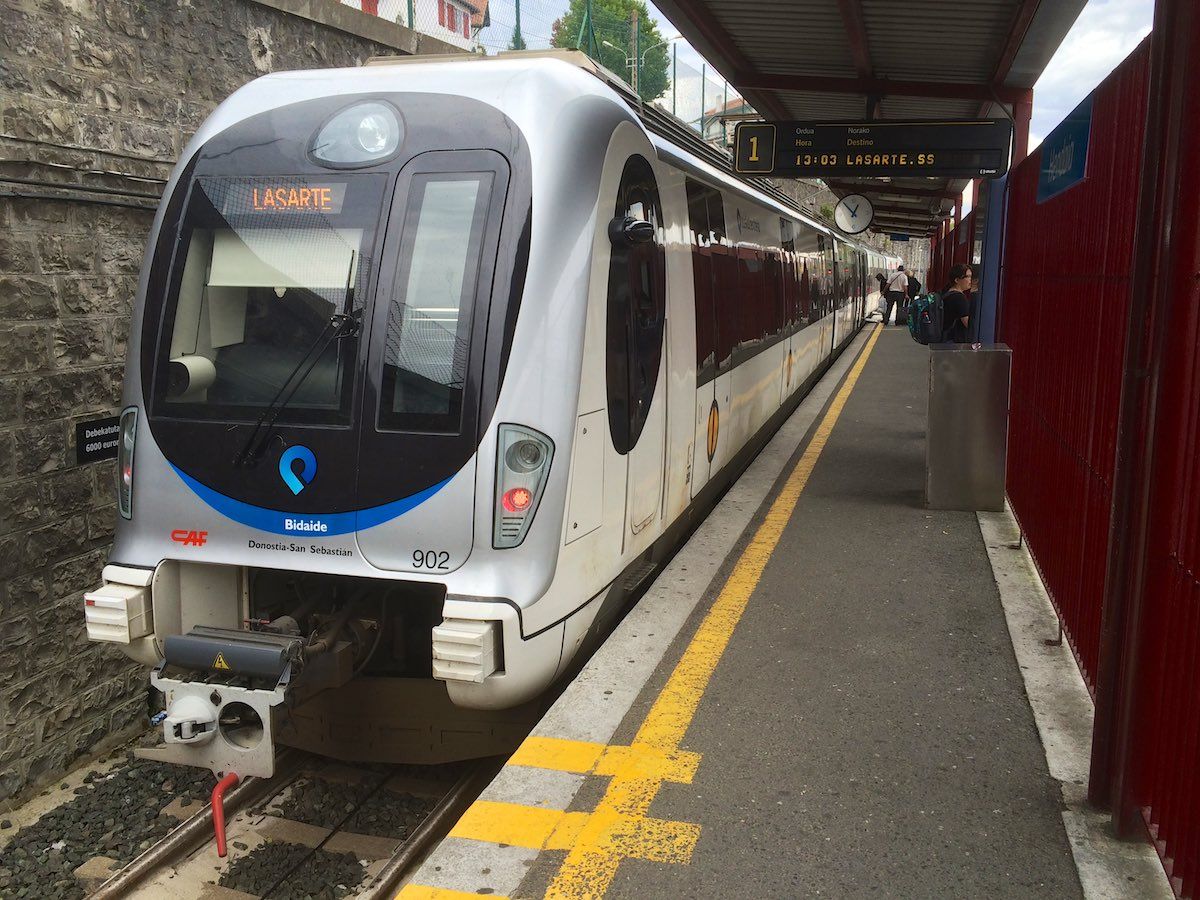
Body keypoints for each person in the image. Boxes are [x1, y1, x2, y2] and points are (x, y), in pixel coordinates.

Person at [940, 263, 973, 342]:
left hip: (944, 339)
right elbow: (968, 324)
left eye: (971, 276)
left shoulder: (947, 293)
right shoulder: (959, 298)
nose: (970, 280)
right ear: (957, 280)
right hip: (953, 342)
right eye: (967, 276)